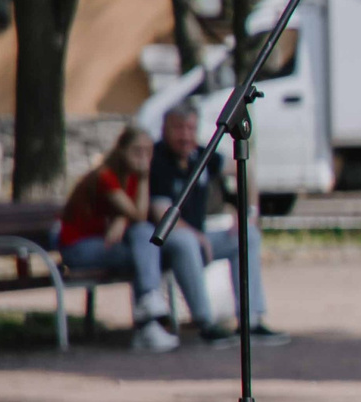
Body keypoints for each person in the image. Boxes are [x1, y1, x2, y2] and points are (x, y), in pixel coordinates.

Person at [148, 104, 288, 347]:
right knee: (186, 241)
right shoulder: (157, 160)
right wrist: (198, 236)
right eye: (178, 128)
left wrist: (247, 213)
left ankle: (251, 321)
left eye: (190, 128)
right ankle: (205, 323)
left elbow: (244, 168)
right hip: (161, 244)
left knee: (247, 235)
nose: (185, 136)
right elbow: (161, 214)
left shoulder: (200, 155)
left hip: (200, 240)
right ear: (165, 129)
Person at [58, 127, 182, 354]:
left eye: (148, 151)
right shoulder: (106, 176)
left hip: (107, 244)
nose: (143, 158)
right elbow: (139, 215)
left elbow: (137, 217)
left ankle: (148, 318)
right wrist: (128, 212)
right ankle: (149, 315)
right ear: (121, 150)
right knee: (145, 253)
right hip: (79, 248)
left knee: (144, 247)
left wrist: (122, 219)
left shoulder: (133, 177)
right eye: (137, 151)